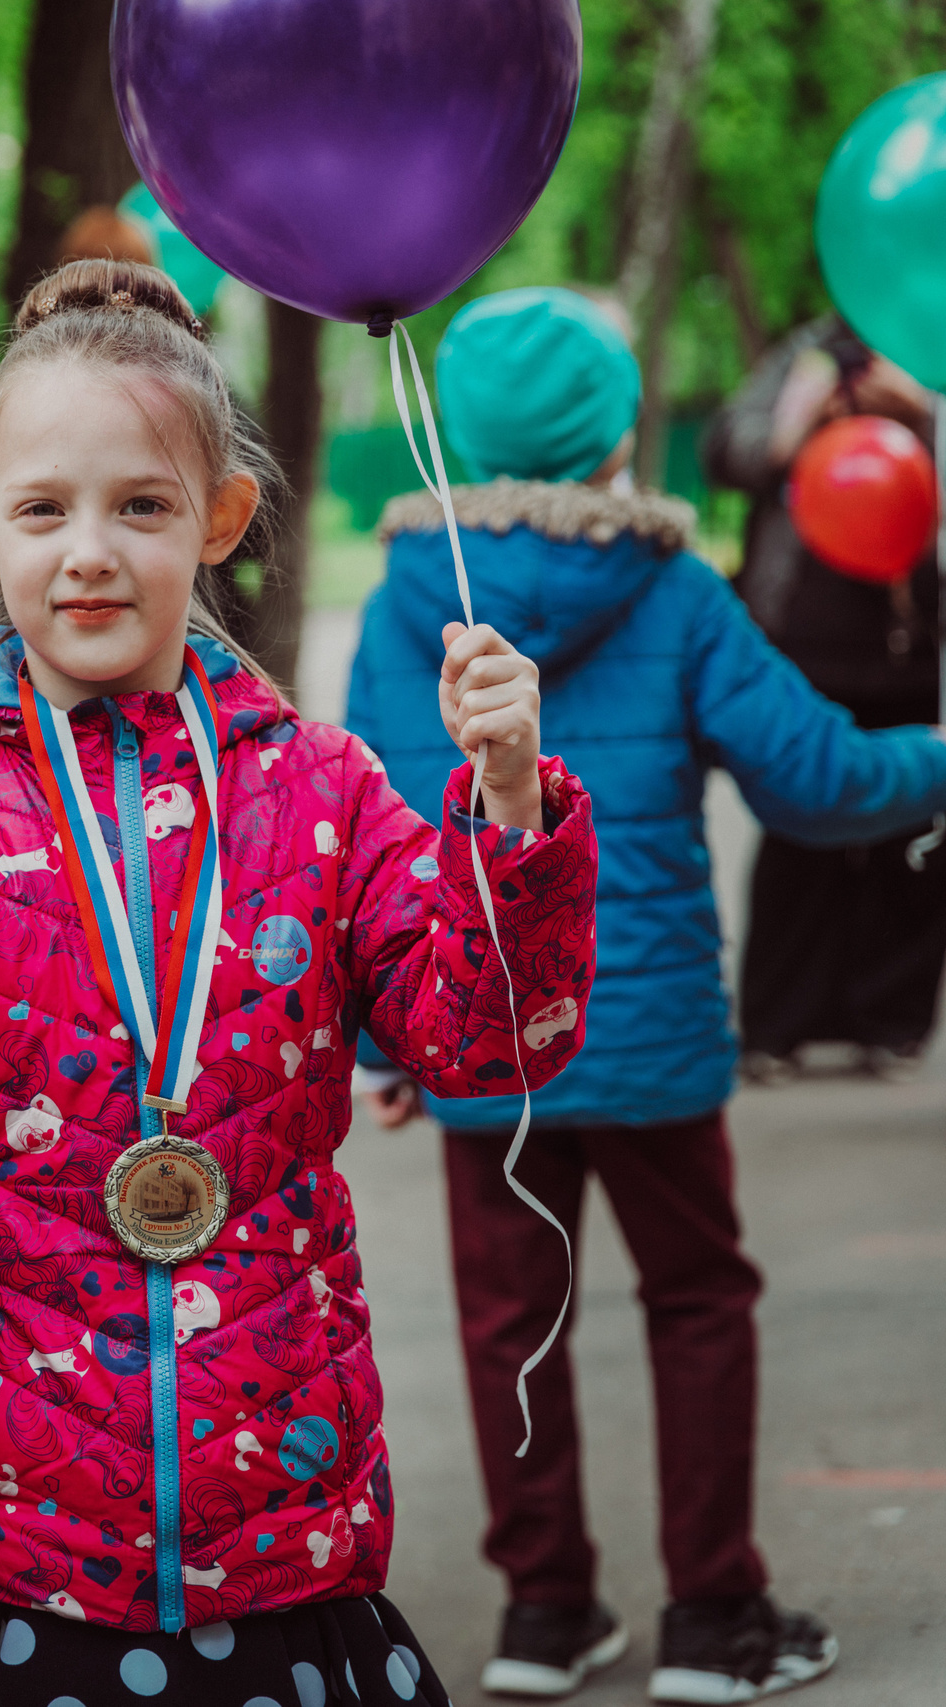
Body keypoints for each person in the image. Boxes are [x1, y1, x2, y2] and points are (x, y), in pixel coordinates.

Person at [0, 259, 599, 1706]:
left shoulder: (321, 789)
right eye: (43, 509)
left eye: (141, 506)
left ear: (219, 519)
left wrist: (508, 805)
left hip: (273, 1539)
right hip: (1, 1539)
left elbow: (485, 1041)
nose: (90, 552)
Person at [349, 287, 933, 1701]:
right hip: (651, 1031)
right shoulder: (676, 590)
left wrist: (388, 1029)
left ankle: (544, 1610)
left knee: (510, 1320)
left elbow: (367, 829)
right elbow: (819, 778)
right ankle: (713, 1617)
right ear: (617, 432)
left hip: (487, 1034)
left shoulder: (410, 600)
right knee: (696, 1298)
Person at [702, 320, 946, 1075]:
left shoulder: (929, 354)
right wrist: (801, 419)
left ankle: (889, 1019)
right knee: (799, 832)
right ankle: (778, 1024)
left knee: (912, 839)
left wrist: (921, 414)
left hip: (912, 646)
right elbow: (729, 451)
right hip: (802, 642)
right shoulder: (806, 352)